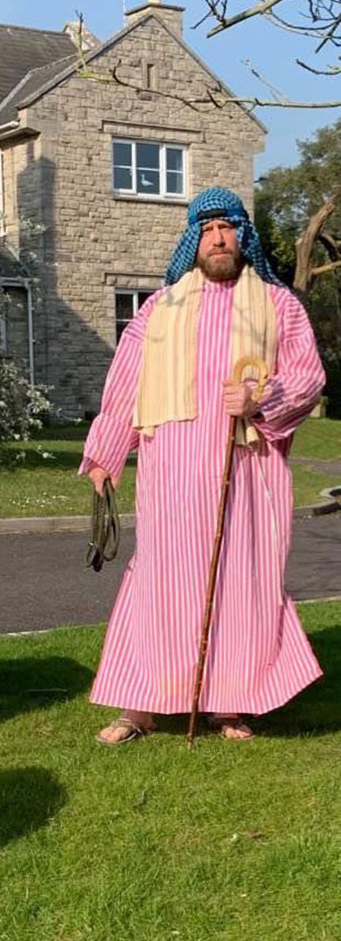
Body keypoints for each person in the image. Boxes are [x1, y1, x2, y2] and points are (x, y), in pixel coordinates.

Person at [82, 187, 325, 745]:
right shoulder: (158, 309)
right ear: (193, 239)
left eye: (227, 228)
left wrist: (261, 399)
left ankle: (230, 704)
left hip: (249, 472)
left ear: (243, 235)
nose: (218, 239)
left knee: (242, 584)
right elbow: (125, 386)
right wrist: (104, 454)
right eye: (208, 230)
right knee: (160, 584)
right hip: (171, 472)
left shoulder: (278, 305)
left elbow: (308, 376)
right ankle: (140, 708)